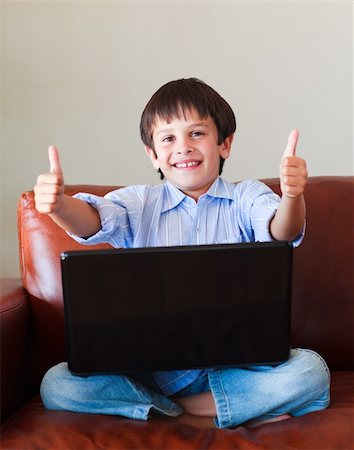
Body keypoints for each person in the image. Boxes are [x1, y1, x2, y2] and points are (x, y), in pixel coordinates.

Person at [35, 78, 330, 428]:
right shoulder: (139, 202)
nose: (183, 147)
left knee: (311, 372)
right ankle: (207, 413)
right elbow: (92, 221)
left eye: (197, 134)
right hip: (152, 370)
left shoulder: (246, 196)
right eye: (169, 138)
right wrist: (57, 206)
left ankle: (169, 413)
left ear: (225, 143)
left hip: (234, 367)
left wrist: (293, 197)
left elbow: (282, 230)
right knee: (57, 383)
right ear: (153, 154)